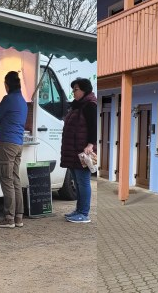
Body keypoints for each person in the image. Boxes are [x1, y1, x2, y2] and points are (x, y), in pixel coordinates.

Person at [0, 71, 28, 228]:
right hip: (18, 143)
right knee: (15, 179)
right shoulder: (22, 101)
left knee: (6, 179)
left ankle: (9, 218)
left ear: (7, 84)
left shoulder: (9, 99)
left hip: (8, 144)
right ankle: (18, 217)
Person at [60, 78, 97, 223]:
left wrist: (90, 144)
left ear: (84, 90)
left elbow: (94, 127)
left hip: (83, 152)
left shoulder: (90, 105)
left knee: (83, 182)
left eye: (76, 89)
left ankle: (84, 213)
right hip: (73, 151)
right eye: (73, 89)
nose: (73, 92)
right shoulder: (77, 106)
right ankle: (79, 210)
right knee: (77, 183)